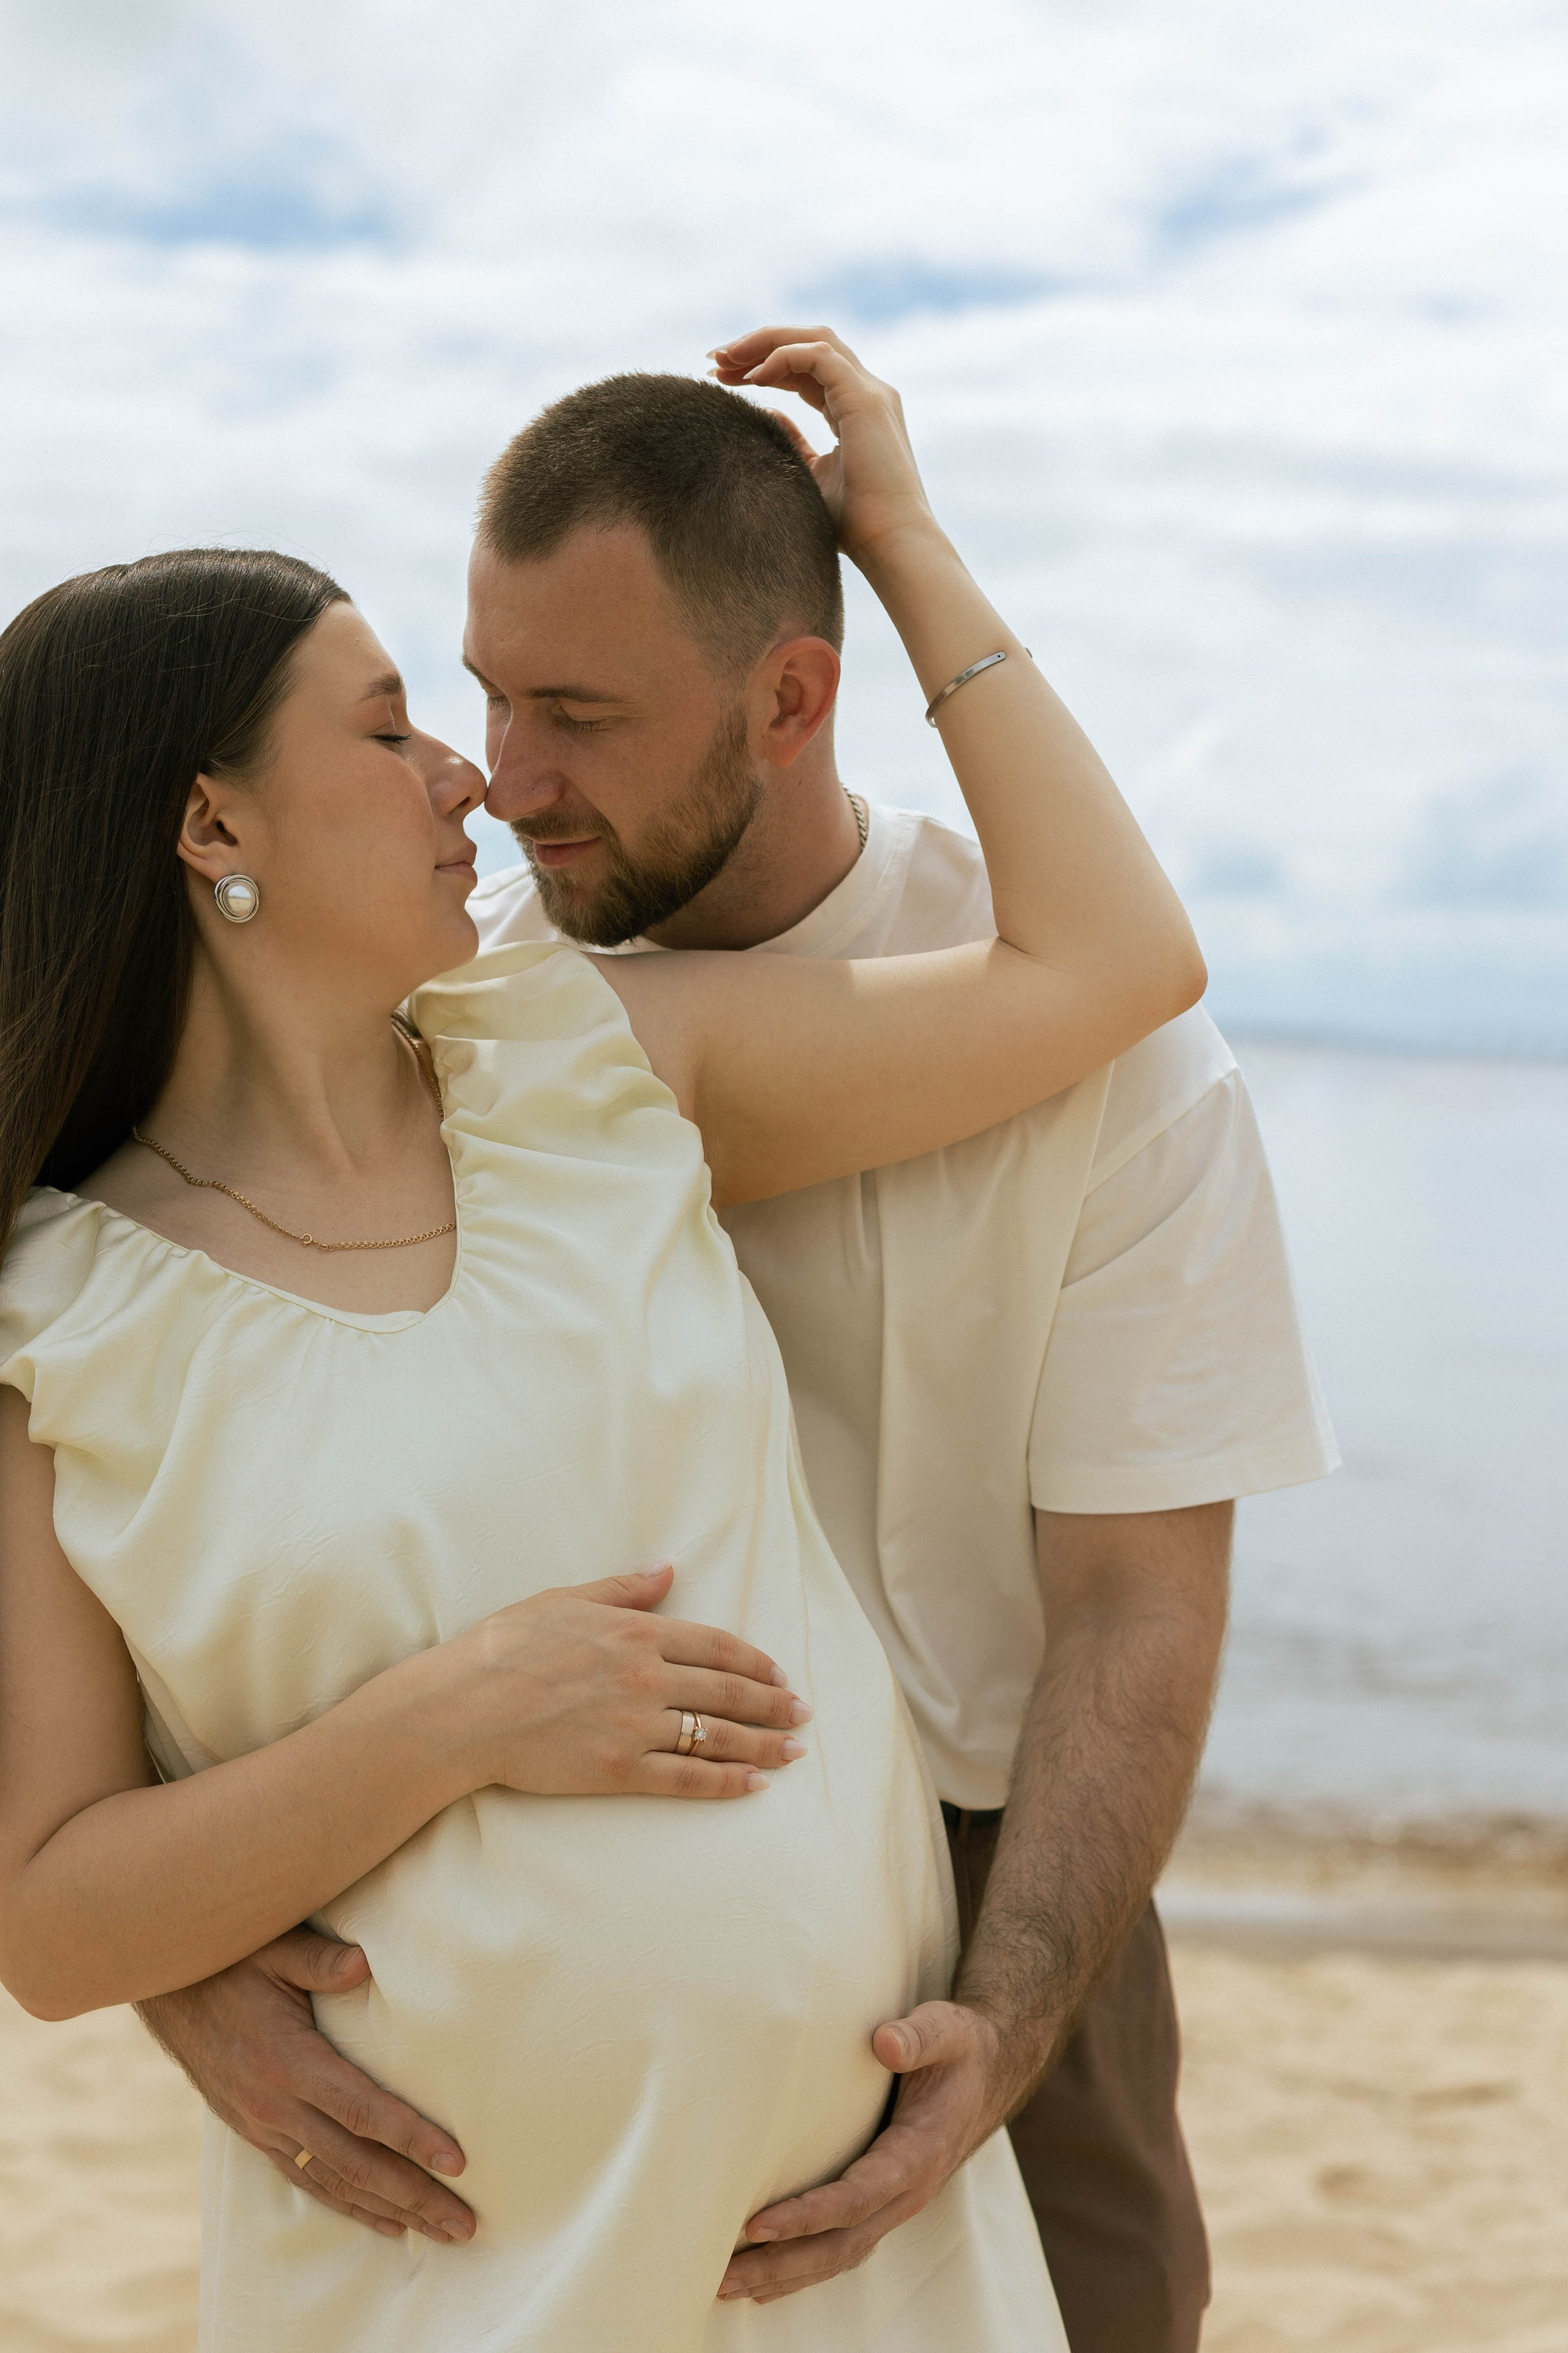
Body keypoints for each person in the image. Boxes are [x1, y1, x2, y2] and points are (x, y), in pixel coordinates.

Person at [132, 330, 1337, 2353]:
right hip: (508, 1907)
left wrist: (1014, 2018)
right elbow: (207, 1495)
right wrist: (192, 1968)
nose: (506, 781)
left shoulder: (1113, 1065)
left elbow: (1135, 1605)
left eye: (581, 713)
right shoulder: (442, 1022)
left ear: (793, 697)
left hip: (997, 1880)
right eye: (485, 693)